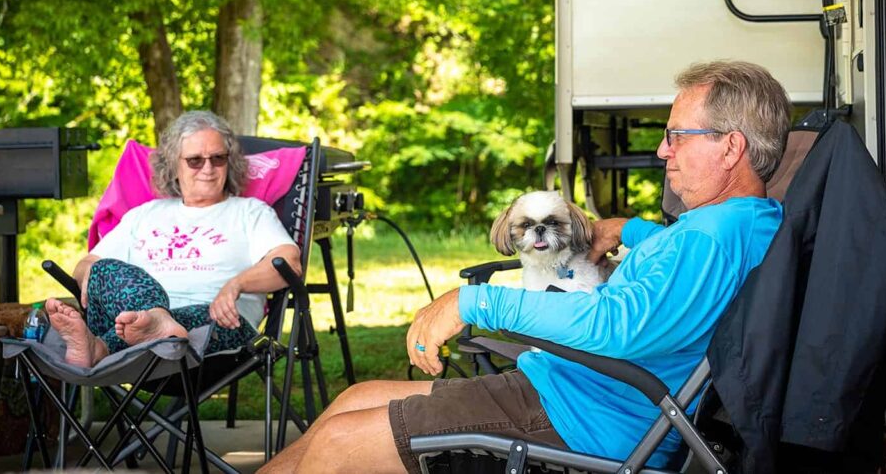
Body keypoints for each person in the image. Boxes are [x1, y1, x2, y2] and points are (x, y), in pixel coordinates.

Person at [259, 60, 792, 474]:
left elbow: (614, 325)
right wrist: (628, 229)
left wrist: (474, 301)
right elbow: (675, 269)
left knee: (338, 446)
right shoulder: (745, 222)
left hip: (579, 423)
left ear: (730, 148)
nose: (661, 150)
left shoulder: (711, 239)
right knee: (352, 400)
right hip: (569, 391)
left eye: (677, 135)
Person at [45, 110, 302, 368]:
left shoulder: (250, 212)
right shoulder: (144, 215)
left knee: (203, 317)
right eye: (194, 161)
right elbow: (85, 265)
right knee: (102, 268)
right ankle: (151, 325)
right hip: (135, 321)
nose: (208, 169)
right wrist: (92, 274)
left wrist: (236, 284)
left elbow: (288, 263)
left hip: (214, 322)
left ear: (230, 161)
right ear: (173, 165)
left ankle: (102, 347)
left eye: (218, 158)